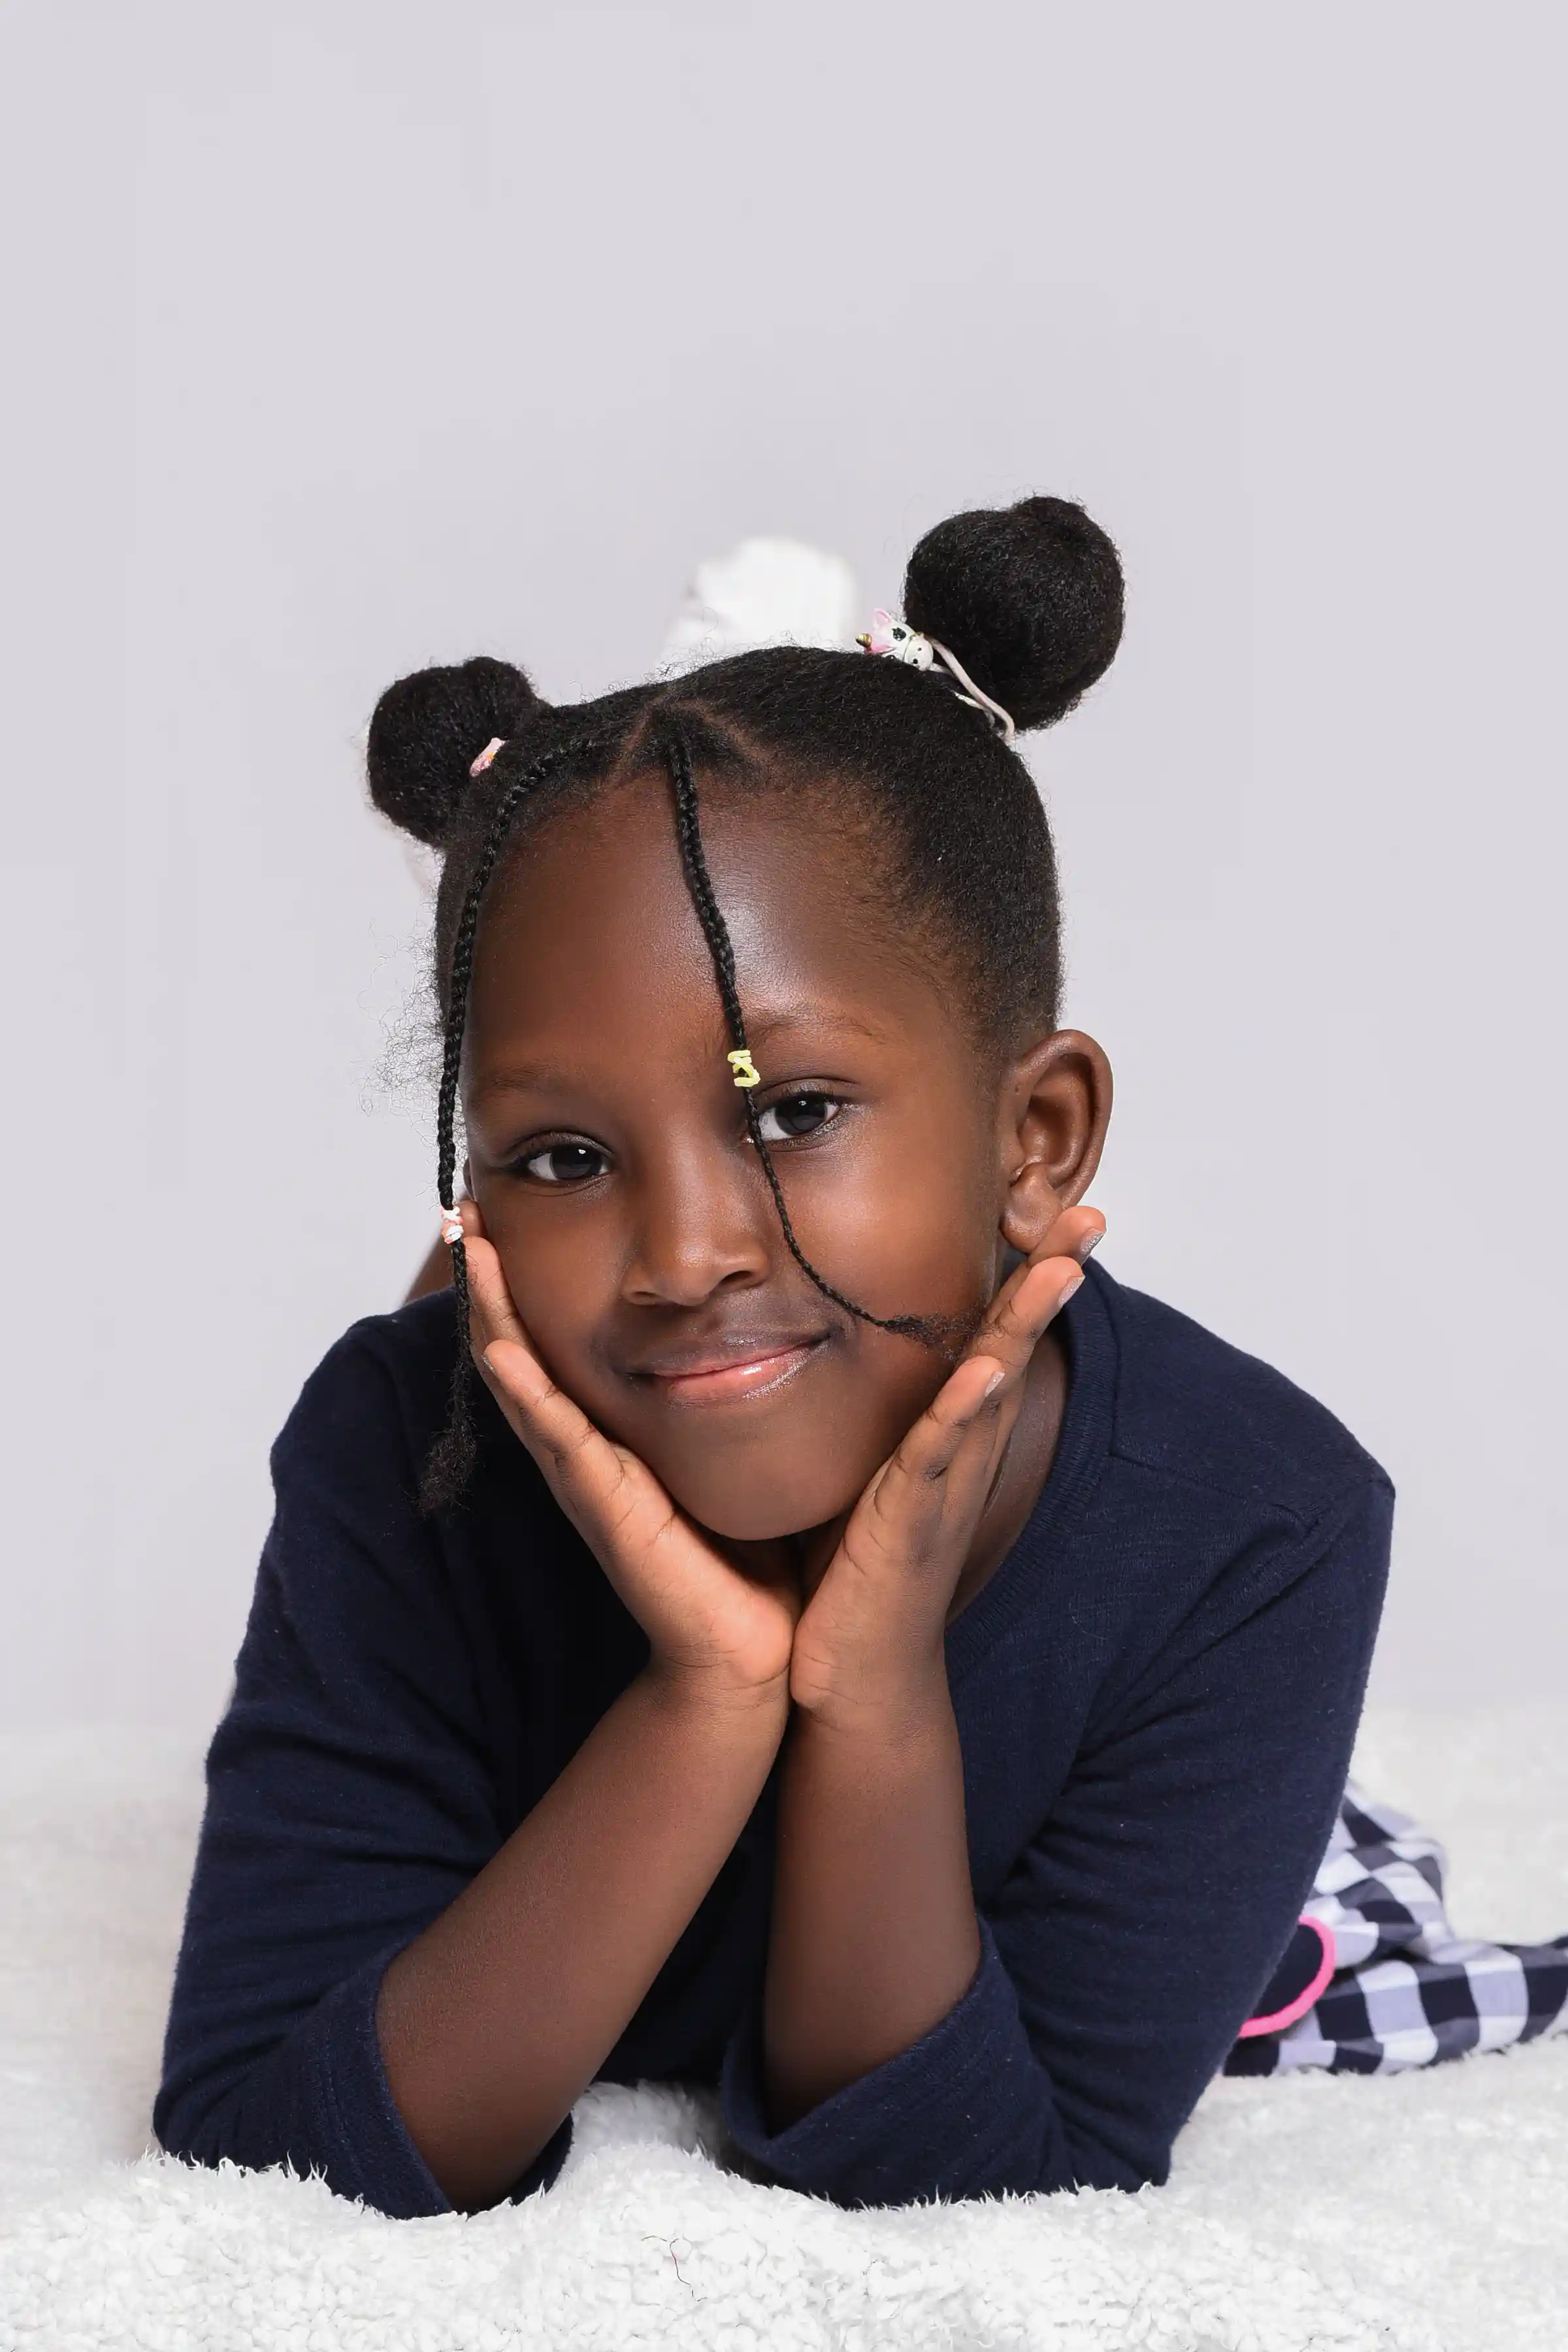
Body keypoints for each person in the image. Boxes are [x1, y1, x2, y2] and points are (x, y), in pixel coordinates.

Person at [154, 497, 1567, 2223]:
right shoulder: (397, 1448)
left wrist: (875, 1692)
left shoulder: (1259, 1525)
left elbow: (1005, 2192)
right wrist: (707, 1696)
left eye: (795, 1112)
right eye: (563, 1157)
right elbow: (259, 2143)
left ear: (1039, 1138)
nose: (687, 1254)